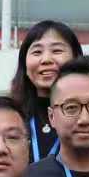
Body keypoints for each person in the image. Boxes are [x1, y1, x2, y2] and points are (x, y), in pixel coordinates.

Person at [8, 20, 81, 166]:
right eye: (37, 52)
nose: (46, 60)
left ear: (76, 58)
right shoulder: (9, 117)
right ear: (24, 64)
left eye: (57, 51)